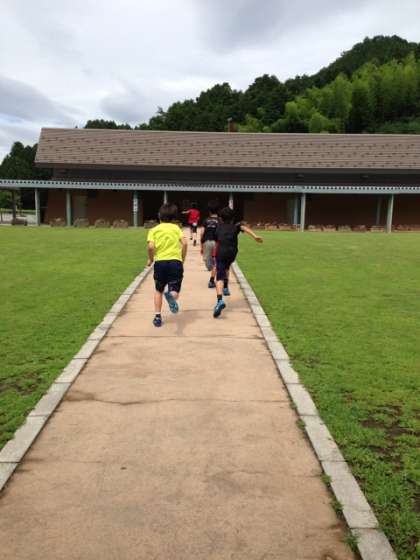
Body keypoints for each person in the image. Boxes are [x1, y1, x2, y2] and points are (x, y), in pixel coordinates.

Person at [213, 206, 263, 318]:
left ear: (220, 218)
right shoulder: (236, 226)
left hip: (221, 252)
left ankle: (219, 300)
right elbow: (243, 227)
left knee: (219, 276)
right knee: (227, 267)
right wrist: (255, 236)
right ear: (233, 218)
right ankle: (226, 287)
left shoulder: (218, 227)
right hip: (232, 253)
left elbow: (216, 239)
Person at [147, 203, 188, 327]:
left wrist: (150, 259)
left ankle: (157, 316)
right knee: (175, 289)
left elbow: (150, 247)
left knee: (158, 290)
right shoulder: (176, 228)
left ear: (159, 215)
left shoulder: (154, 230)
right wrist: (182, 258)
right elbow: (185, 243)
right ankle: (171, 296)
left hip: (160, 263)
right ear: (174, 217)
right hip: (175, 262)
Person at [200, 200, 219, 288]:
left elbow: (201, 233)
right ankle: (215, 270)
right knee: (216, 260)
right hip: (217, 242)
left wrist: (201, 245)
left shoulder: (206, 220)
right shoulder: (220, 221)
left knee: (207, 261)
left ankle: (213, 270)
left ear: (209, 211)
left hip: (207, 242)